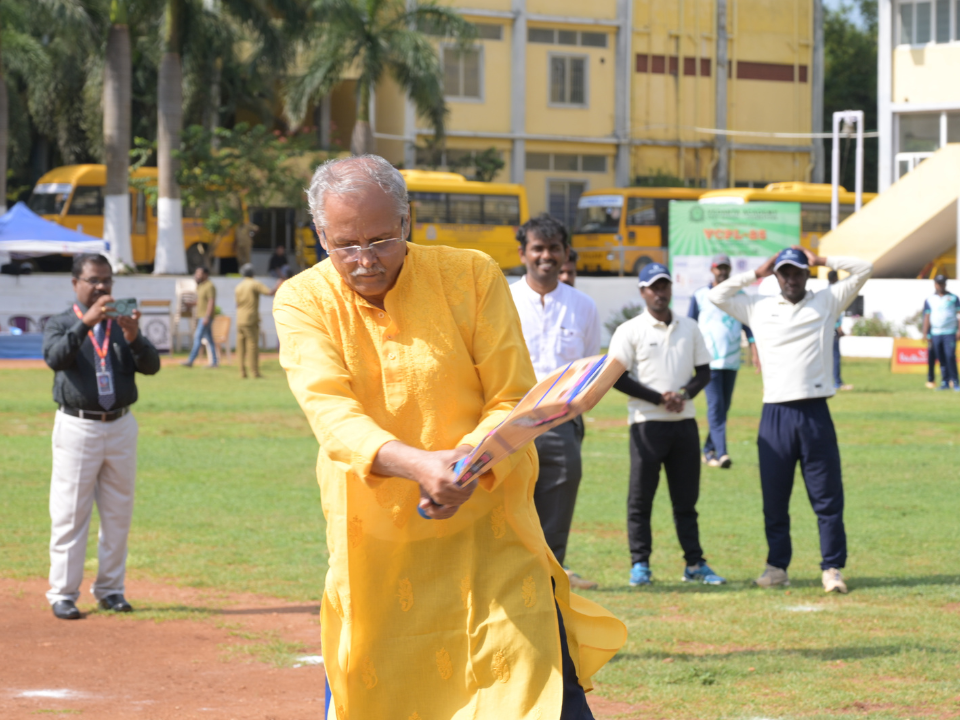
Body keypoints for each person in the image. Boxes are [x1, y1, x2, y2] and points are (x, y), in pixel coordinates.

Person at [273, 156, 624, 720]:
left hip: (490, 535)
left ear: (407, 220)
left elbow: (510, 394)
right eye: (345, 245)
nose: (365, 260)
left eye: (381, 240)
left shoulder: (471, 275)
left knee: (534, 696)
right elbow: (330, 411)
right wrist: (417, 466)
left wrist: (466, 462)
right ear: (320, 235)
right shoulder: (302, 299)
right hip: (376, 545)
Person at [709, 246, 872, 594]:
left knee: (827, 497)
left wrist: (823, 260)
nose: (791, 279)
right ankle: (777, 567)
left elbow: (864, 268)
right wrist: (757, 272)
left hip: (815, 412)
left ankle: (832, 568)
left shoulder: (827, 302)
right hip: (775, 414)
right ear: (776, 275)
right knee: (775, 498)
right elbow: (716, 295)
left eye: (797, 272)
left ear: (806, 273)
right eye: (784, 272)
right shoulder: (757, 307)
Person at [42, 253, 161, 620]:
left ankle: (110, 590)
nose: (101, 287)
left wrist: (134, 337)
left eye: (107, 280)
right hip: (78, 426)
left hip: (120, 425)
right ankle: (63, 593)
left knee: (118, 513)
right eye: (93, 280)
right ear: (75, 283)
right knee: (70, 512)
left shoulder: (120, 325)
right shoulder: (62, 322)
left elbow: (152, 366)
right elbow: (54, 358)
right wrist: (85, 324)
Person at [608, 262, 726, 588]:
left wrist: (683, 395)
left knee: (686, 501)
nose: (659, 293)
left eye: (664, 286)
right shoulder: (630, 330)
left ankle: (694, 563)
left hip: (683, 424)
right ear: (642, 291)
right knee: (640, 499)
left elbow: (704, 372)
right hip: (646, 425)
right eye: (653, 287)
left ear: (671, 288)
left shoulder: (690, 327)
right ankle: (640, 564)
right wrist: (659, 399)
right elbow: (616, 377)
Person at [510, 214, 601, 590]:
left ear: (566, 253)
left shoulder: (584, 306)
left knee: (558, 506)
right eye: (538, 248)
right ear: (523, 253)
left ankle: (549, 582)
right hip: (510, 420)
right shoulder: (504, 300)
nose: (545, 256)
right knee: (510, 504)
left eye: (554, 248)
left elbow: (589, 365)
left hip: (563, 422)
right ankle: (511, 581)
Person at [687, 253, 759, 469]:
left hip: (732, 360)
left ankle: (708, 449)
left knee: (723, 408)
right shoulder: (700, 295)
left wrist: (755, 351)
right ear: (712, 270)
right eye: (719, 268)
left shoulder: (740, 296)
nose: (722, 271)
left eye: (726, 267)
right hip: (708, 363)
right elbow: (690, 326)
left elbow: (748, 327)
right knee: (716, 406)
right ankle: (722, 453)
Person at [234, 263, 280, 379]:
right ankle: (255, 372)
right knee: (252, 345)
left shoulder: (239, 286)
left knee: (241, 347)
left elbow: (237, 304)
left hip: (239, 319)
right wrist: (278, 284)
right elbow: (269, 292)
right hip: (250, 319)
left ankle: (242, 372)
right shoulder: (254, 283)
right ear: (252, 273)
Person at [922, 274, 960, 391]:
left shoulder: (953, 298)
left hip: (950, 332)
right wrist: (925, 333)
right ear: (935, 284)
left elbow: (959, 315)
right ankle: (945, 382)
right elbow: (927, 316)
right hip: (936, 333)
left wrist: (959, 330)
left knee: (950, 356)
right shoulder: (930, 299)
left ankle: (955, 382)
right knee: (941, 358)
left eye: (942, 283)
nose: (940, 286)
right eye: (938, 283)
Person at [181, 266, 218, 368]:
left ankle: (190, 360)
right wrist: (191, 304)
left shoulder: (210, 286)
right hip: (201, 316)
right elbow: (201, 301)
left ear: (205, 274)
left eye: (199, 273)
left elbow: (211, 302)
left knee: (197, 337)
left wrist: (207, 317)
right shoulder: (201, 286)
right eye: (196, 273)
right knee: (210, 340)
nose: (197, 275)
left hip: (205, 317)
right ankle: (214, 362)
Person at [828, 270, 853, 391]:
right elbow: (835, 313)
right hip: (833, 330)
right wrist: (839, 328)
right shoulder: (834, 293)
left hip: (827, 329)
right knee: (835, 357)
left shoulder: (826, 292)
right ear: (835, 279)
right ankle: (837, 383)